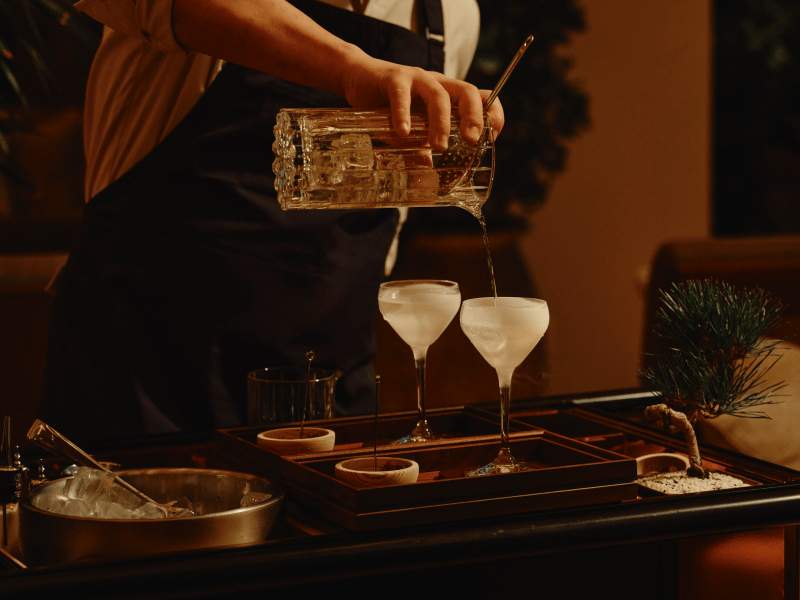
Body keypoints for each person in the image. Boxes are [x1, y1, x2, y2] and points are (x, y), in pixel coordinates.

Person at [42, 0, 505, 442]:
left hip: (327, 387)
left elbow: (399, 196)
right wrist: (354, 69)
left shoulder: (452, 17)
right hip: (146, 376)